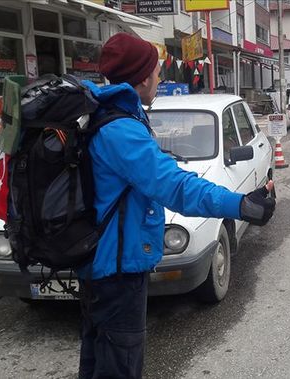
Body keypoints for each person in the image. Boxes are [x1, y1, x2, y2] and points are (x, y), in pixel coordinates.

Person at [76, 33, 275, 379]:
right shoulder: (121, 131)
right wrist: (240, 205)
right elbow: (176, 187)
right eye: (156, 72)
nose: (160, 78)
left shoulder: (107, 116)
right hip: (117, 272)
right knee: (119, 365)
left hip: (100, 264)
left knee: (98, 358)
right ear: (140, 79)